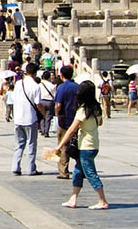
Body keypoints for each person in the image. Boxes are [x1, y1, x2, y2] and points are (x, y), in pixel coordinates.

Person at [46, 81, 109, 210]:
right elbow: (100, 123)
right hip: (94, 144)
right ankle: (73, 198)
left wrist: (59, 146)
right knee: (78, 172)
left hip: (86, 146)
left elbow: (71, 130)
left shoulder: (83, 110)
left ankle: (102, 200)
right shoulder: (96, 108)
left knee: (90, 173)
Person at [10, 68, 42, 176]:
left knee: (19, 144)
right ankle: (31, 168)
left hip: (18, 119)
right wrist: (45, 114)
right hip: (30, 118)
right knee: (31, 144)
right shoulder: (36, 86)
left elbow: (14, 98)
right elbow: (38, 104)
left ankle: (15, 167)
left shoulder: (18, 84)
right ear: (34, 73)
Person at [53, 65, 80, 179]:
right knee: (77, 144)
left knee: (63, 144)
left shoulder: (61, 88)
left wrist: (57, 113)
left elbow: (58, 105)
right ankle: (81, 169)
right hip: (76, 119)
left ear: (61, 75)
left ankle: (63, 171)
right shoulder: (77, 87)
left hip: (64, 120)